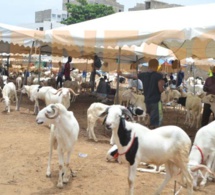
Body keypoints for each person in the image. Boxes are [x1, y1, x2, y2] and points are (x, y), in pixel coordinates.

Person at [119, 58, 165, 129]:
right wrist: (163, 88)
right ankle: (153, 134)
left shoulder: (143, 75)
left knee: (149, 118)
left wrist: (121, 74)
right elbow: (160, 89)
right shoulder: (158, 76)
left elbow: (131, 76)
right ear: (156, 66)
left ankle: (150, 131)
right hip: (155, 101)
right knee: (155, 122)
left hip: (147, 101)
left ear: (149, 65)